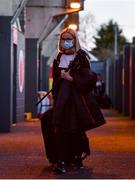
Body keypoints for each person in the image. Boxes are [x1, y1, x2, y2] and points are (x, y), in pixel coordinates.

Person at [41, 28, 105, 173]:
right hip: (61, 102)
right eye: (63, 39)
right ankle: (58, 158)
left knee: (72, 129)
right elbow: (56, 83)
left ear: (74, 40)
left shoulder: (81, 58)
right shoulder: (58, 58)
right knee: (49, 122)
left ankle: (72, 159)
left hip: (77, 103)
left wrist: (71, 79)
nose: (66, 41)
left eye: (69, 38)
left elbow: (89, 81)